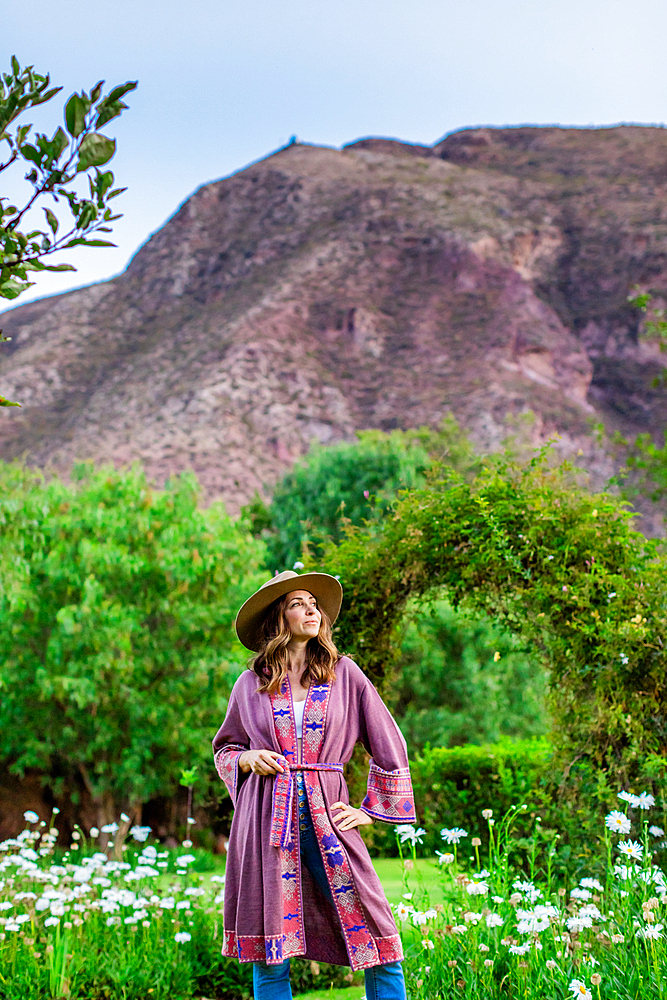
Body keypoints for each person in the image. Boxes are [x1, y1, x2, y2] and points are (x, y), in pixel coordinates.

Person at [212, 569, 417, 1000]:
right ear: (278, 619)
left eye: (314, 604)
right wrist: (247, 757)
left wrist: (368, 809)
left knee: (379, 937)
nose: (311, 610)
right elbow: (225, 749)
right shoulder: (249, 684)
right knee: (271, 951)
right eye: (297, 604)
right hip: (267, 819)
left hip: (330, 816)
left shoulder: (345, 674)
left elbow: (387, 741)